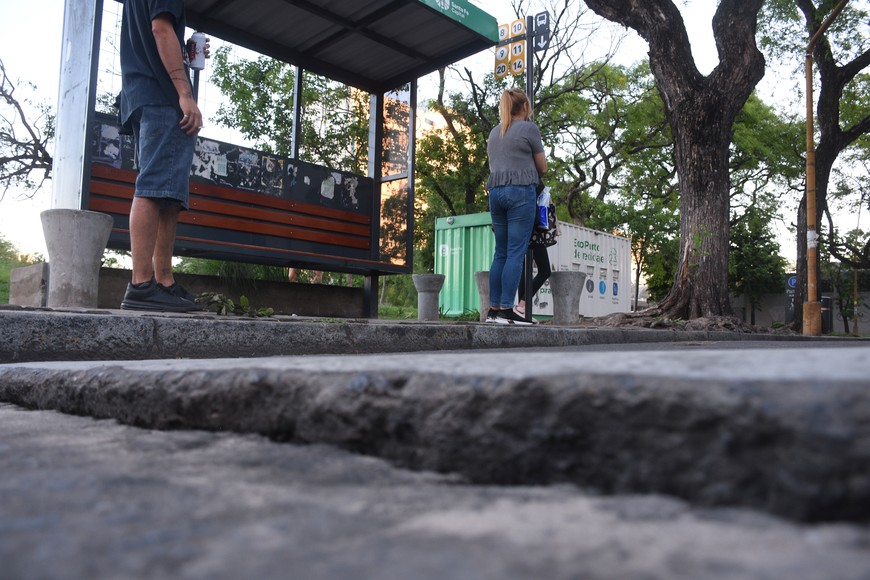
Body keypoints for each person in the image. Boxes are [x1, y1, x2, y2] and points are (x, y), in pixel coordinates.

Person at [118, 0, 207, 312]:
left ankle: (163, 283)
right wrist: (185, 93)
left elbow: (155, 31)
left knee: (167, 194)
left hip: (143, 94)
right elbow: (160, 29)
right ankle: (141, 285)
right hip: (161, 95)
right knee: (155, 188)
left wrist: (184, 54)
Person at [485, 88, 547, 325]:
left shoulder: (494, 132)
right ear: (524, 107)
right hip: (520, 191)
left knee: (500, 252)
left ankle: (493, 310)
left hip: (496, 194)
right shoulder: (529, 128)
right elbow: (542, 167)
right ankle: (506, 310)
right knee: (515, 252)